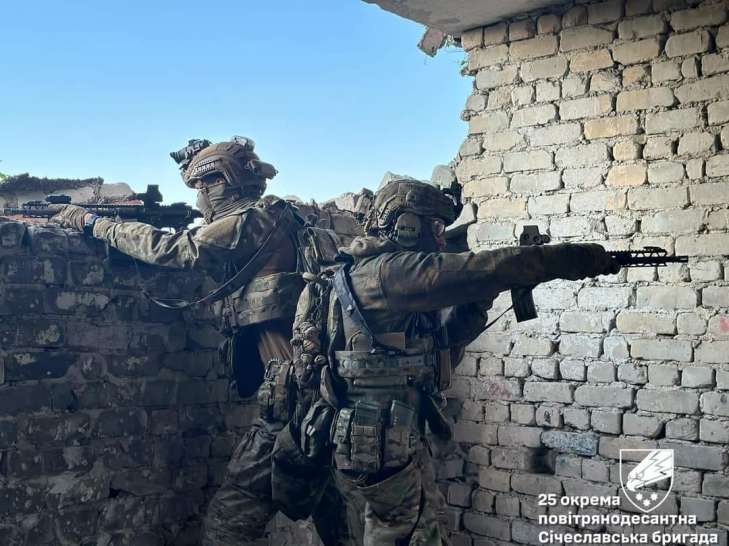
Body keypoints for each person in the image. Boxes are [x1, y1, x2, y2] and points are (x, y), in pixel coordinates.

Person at [283, 178, 621, 546]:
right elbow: (486, 268)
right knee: (407, 534)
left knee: (416, 527)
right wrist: (582, 258)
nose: (441, 239)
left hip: (378, 437)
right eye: (436, 227)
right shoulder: (390, 272)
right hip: (378, 440)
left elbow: (440, 342)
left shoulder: (367, 271)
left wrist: (480, 298)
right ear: (406, 225)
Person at [50, 137, 353, 546]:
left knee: (227, 523)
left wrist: (92, 223)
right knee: (335, 517)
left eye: (202, 186)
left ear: (220, 184)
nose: (200, 197)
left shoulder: (250, 222)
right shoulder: (288, 221)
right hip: (322, 394)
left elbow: (175, 250)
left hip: (292, 405)